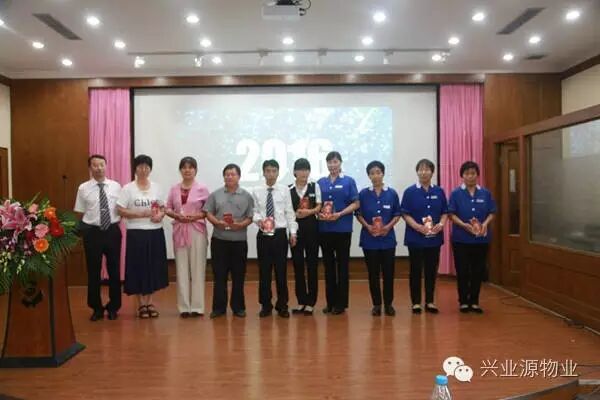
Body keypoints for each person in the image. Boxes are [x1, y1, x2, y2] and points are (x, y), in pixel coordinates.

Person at [117, 154, 168, 319]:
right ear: (135, 168)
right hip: (136, 233)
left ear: (150, 169)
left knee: (152, 267)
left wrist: (160, 215)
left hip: (155, 232)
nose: (143, 169)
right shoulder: (128, 188)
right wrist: (139, 214)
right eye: (140, 166)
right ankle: (141, 304)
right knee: (138, 267)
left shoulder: (157, 187)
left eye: (147, 166)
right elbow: (120, 209)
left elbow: (163, 208)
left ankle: (150, 302)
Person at [74, 154, 122, 321]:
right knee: (93, 271)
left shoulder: (116, 186)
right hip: (92, 232)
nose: (99, 168)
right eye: (95, 165)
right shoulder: (83, 188)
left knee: (114, 270)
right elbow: (79, 212)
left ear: (106, 166)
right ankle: (96, 308)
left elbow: (122, 208)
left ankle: (114, 307)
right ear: (90, 168)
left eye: (102, 164)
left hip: (112, 231)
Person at [203, 163, 254, 319]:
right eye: (227, 174)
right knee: (219, 276)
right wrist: (216, 222)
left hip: (239, 242)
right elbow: (207, 212)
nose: (229, 177)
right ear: (223, 177)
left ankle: (238, 307)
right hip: (220, 240)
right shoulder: (215, 194)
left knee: (239, 276)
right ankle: (219, 308)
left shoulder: (246, 196)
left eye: (233, 174)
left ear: (239, 176)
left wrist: (241, 225)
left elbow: (250, 217)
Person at [400, 159, 448, 314]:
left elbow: (445, 212)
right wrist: (417, 227)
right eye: (420, 169)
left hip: (434, 238)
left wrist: (441, 224)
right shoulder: (410, 191)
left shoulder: (439, 191)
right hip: (415, 238)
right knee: (415, 270)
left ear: (432, 172)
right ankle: (415, 302)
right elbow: (405, 213)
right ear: (417, 172)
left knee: (431, 271)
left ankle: (430, 301)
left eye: (427, 169)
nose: (423, 172)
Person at [448, 161, 496, 314]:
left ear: (477, 175)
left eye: (473, 173)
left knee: (478, 270)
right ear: (462, 176)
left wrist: (485, 224)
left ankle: (474, 301)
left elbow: (492, 212)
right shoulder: (456, 193)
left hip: (481, 239)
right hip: (461, 239)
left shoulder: (485, 193)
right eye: (467, 173)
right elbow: (451, 214)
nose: (470, 176)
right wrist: (464, 225)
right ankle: (463, 301)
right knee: (462, 270)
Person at [252, 159, 298, 318]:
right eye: (268, 171)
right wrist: (259, 220)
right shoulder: (257, 190)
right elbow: (254, 211)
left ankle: (282, 305)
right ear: (263, 173)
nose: (271, 174)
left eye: (274, 171)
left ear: (278, 173)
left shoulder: (284, 190)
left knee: (281, 271)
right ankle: (265, 305)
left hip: (279, 234)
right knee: (264, 271)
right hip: (264, 234)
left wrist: (293, 233)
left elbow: (289, 212)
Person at [165, 157, 210, 318]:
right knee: (181, 268)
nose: (187, 170)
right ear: (180, 170)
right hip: (179, 230)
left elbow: (208, 210)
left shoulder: (202, 188)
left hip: (197, 230)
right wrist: (175, 215)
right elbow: (168, 208)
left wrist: (195, 216)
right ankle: (184, 307)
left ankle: (197, 307)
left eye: (191, 167)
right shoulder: (174, 189)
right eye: (184, 167)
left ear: (195, 170)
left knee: (198, 268)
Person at [356, 161, 402, 316]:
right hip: (369, 241)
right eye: (372, 173)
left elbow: (397, 214)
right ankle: (376, 304)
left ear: (383, 173)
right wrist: (368, 226)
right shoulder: (363, 194)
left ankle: (388, 304)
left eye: (378, 172)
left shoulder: (392, 193)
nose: (375, 175)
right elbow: (358, 214)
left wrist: (387, 227)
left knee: (389, 274)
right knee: (373, 274)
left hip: (388, 240)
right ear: (368, 176)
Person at [317, 151, 359, 315]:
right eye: (330, 162)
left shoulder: (349, 181)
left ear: (340, 163)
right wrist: (319, 214)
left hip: (342, 229)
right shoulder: (321, 182)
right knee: (328, 267)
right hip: (324, 229)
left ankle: (341, 304)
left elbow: (356, 203)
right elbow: (317, 205)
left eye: (335, 162)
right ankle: (330, 302)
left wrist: (340, 214)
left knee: (342, 266)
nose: (332, 165)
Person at [289, 158, 322, 316]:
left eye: (306, 170)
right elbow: (287, 210)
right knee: (298, 265)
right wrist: (296, 216)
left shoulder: (315, 186)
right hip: (295, 230)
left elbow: (319, 206)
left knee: (312, 265)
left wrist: (308, 212)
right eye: (300, 170)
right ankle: (301, 301)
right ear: (295, 172)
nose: (304, 173)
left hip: (311, 229)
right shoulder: (288, 189)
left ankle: (311, 302)